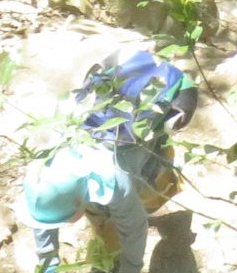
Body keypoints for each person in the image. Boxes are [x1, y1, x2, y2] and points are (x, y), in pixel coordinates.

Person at [20, 141, 150, 273]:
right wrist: (48, 270)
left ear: (78, 200)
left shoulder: (116, 184)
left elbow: (135, 229)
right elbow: (43, 218)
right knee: (102, 217)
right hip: (98, 162)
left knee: (146, 196)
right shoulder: (44, 174)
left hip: (139, 150)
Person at [74, 46, 200, 206]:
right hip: (138, 143)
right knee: (149, 174)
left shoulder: (109, 67)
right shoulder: (180, 83)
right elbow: (177, 122)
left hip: (101, 140)